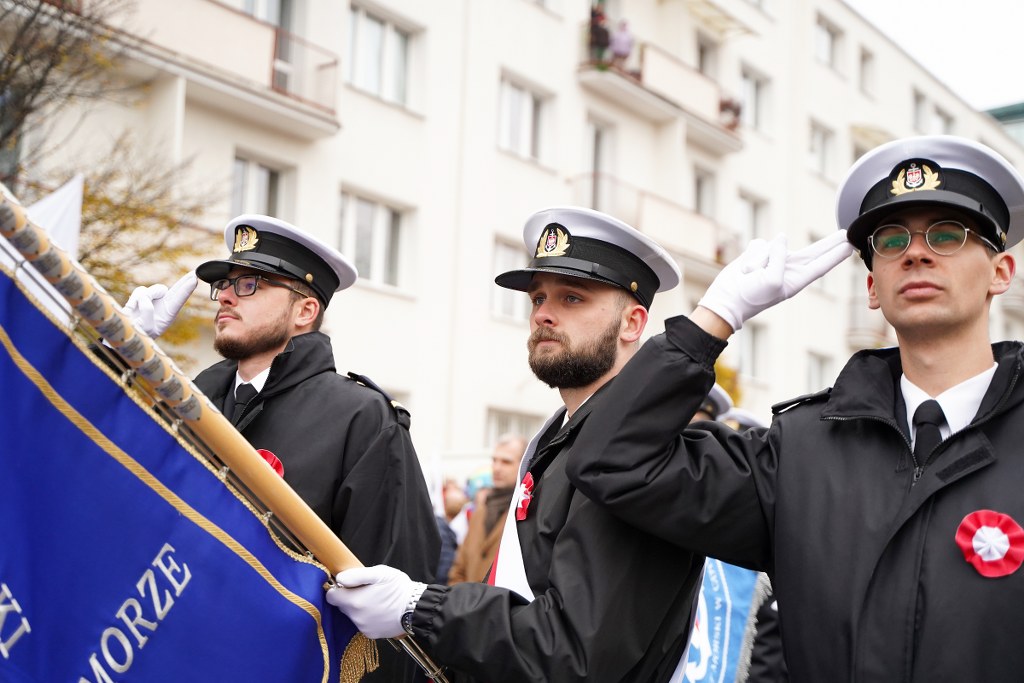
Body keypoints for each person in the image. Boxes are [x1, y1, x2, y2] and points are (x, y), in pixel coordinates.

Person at [565, 134, 1024, 681]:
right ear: (872, 286)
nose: (916, 253)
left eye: (947, 234)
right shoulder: (800, 450)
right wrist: (714, 319)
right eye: (892, 239)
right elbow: (610, 462)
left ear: (1001, 272)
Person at [327, 206, 706, 682]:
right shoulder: (563, 438)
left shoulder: (641, 454)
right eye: (538, 297)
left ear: (632, 323)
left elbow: (573, 652)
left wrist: (421, 607)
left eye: (572, 297)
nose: (542, 314)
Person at [124, 214, 441, 682]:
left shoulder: (360, 416)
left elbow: (393, 590)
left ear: (305, 311)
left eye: (250, 284)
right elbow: (122, 489)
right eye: (225, 284)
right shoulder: (194, 397)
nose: (225, 296)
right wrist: (123, 357)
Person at [447, 433, 528, 585]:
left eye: (506, 462)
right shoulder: (481, 509)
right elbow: (459, 568)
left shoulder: (526, 511)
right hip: (465, 598)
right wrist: (460, 596)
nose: (496, 468)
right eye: (494, 460)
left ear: (524, 464)